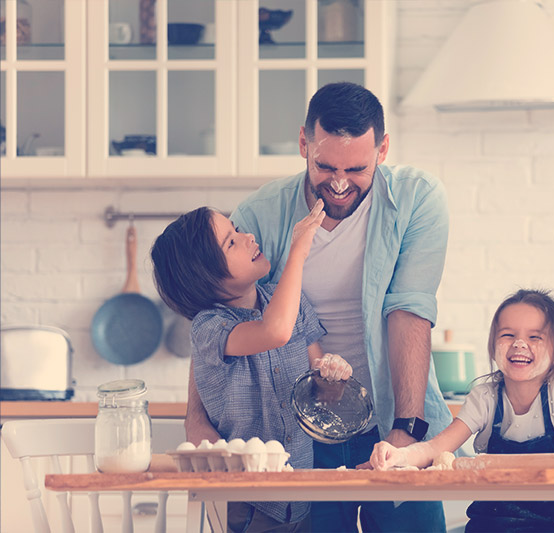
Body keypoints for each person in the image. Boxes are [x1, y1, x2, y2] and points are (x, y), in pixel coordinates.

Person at [184, 81, 451, 532]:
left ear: (383, 149)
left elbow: (409, 311)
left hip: (397, 418)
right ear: (304, 143)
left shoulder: (416, 199)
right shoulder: (259, 217)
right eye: (325, 166)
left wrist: (406, 430)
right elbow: (219, 320)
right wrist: (196, 419)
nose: (341, 183)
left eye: (358, 168)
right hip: (300, 434)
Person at [151, 200, 353, 532]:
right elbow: (273, 332)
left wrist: (334, 375)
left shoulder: (293, 302)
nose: (248, 238)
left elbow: (321, 393)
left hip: (301, 497)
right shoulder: (209, 328)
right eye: (231, 242)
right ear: (206, 277)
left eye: (238, 230)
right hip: (247, 505)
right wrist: (298, 252)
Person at [371, 289, 554, 533]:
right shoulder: (485, 396)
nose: (519, 344)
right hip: (489, 525)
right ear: (492, 346)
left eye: (535, 337)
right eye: (508, 335)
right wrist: (398, 456)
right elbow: (437, 447)